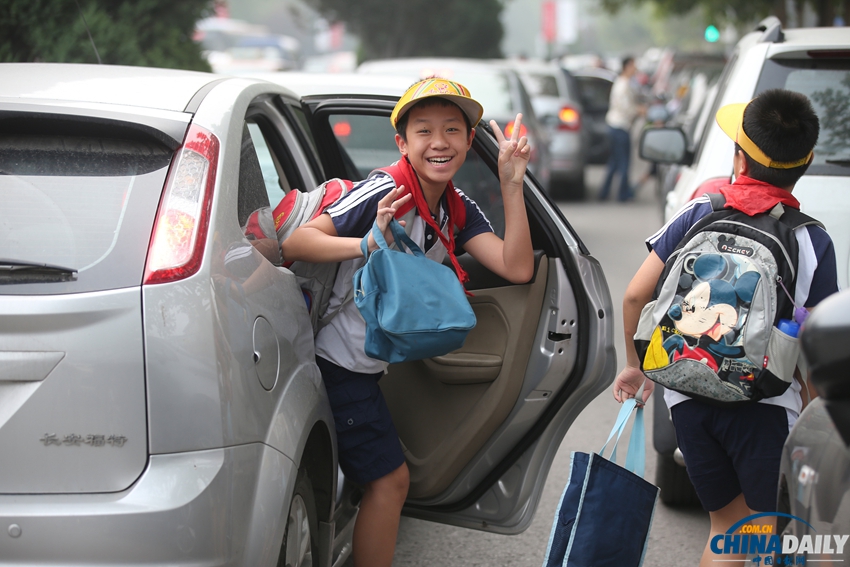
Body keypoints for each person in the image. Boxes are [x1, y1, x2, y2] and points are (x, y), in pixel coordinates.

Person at [281, 78, 535, 567]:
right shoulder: (387, 189)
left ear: (468, 140)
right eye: (424, 131)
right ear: (402, 143)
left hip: (368, 366)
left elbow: (517, 267)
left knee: (382, 481)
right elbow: (297, 243)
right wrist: (365, 244)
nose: (439, 143)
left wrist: (511, 182)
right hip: (337, 363)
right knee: (390, 482)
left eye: (452, 130)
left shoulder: (456, 207)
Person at [611, 89, 838, 566]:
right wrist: (819, 417)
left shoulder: (699, 210)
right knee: (765, 533)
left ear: (739, 157)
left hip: (686, 395)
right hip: (766, 404)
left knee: (724, 529)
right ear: (806, 162)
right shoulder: (810, 238)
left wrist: (636, 367)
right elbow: (817, 340)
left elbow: (636, 295)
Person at [599, 56, 645, 202]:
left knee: (614, 162)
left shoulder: (622, 83)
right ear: (627, 66)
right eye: (633, 65)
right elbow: (626, 108)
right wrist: (640, 110)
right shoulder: (623, 85)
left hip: (616, 125)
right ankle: (623, 194)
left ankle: (604, 193)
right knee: (624, 162)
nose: (635, 69)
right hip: (620, 127)